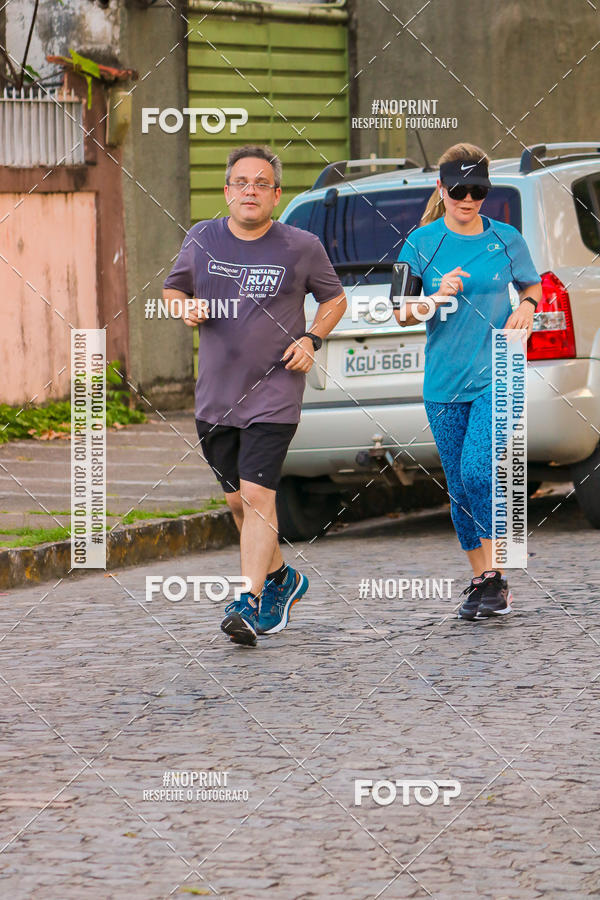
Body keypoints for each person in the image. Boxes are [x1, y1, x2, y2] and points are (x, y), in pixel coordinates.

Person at [163, 145, 346, 646]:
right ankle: (284, 579)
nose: (250, 190)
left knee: (261, 496)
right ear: (226, 192)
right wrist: (184, 309)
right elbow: (173, 289)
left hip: (275, 391)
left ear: (276, 195)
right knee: (239, 502)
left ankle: (248, 601)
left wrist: (312, 339)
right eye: (241, 182)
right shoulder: (202, 237)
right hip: (215, 399)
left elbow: (335, 299)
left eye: (261, 183)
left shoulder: (301, 245)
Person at [394, 142, 541, 620]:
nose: (467, 198)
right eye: (458, 189)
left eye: (477, 190)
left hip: (500, 371)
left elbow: (532, 286)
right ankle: (483, 579)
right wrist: (436, 296)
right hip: (443, 382)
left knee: (480, 470)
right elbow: (400, 312)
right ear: (442, 188)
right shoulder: (420, 242)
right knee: (459, 486)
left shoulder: (506, 237)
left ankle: (498, 574)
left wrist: (526, 307)